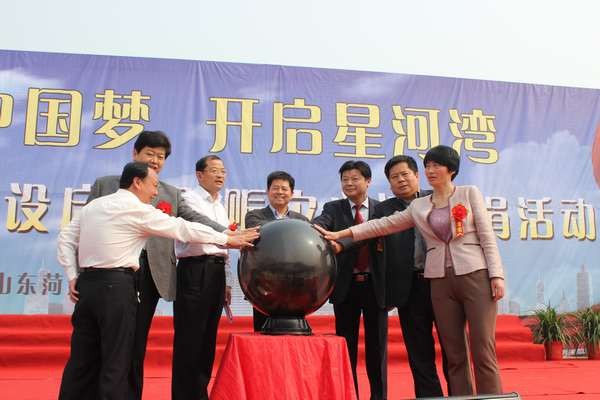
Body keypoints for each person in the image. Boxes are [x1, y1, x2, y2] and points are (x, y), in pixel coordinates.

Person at [57, 162, 258, 400]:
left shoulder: (94, 206)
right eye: (153, 185)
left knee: (81, 359)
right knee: (117, 359)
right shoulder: (137, 210)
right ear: (137, 182)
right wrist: (226, 239)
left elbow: (66, 239)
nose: (155, 193)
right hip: (117, 289)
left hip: (87, 286)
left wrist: (72, 275)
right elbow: (181, 228)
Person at [316, 145, 505, 396]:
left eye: (435, 166)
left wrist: (496, 274)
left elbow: (487, 236)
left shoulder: (466, 194)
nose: (431, 171)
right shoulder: (413, 207)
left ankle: (487, 396)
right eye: (428, 166)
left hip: (469, 275)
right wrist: (341, 236)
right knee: (444, 352)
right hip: (426, 283)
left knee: (478, 349)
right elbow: (378, 226)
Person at [374, 155, 448, 397]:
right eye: (394, 177)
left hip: (443, 284)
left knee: (453, 349)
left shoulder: (438, 199)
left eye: (405, 174)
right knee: (419, 353)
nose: (401, 180)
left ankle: (461, 395)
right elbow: (369, 241)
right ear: (389, 184)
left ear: (417, 175)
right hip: (410, 288)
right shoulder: (383, 210)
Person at [312, 161, 387, 400]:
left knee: (377, 347)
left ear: (368, 181)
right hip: (347, 286)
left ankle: (379, 396)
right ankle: (349, 394)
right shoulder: (333, 208)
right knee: (346, 345)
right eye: (345, 179)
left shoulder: (381, 210)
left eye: (355, 179)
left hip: (375, 286)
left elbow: (372, 235)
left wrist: (341, 244)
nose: (349, 183)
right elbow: (321, 223)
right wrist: (313, 229)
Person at [171, 155, 234, 400]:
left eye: (223, 171)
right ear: (199, 175)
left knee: (208, 339)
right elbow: (201, 231)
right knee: (190, 338)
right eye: (214, 170)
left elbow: (224, 248)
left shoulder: (220, 205)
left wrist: (227, 281)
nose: (220, 175)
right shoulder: (189, 200)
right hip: (195, 270)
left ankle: (199, 394)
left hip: (216, 272)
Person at [244, 170, 309, 331]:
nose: (280, 192)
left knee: (293, 334)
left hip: (295, 284)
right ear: (268, 191)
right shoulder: (254, 216)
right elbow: (263, 232)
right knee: (263, 332)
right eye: (275, 188)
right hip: (265, 285)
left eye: (284, 189)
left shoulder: (302, 220)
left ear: (291, 193)